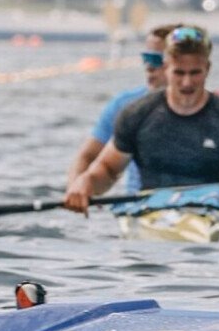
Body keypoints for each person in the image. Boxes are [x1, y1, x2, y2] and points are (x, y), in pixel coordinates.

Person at [62, 25, 219, 242]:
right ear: (166, 67)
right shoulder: (137, 114)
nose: (187, 83)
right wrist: (85, 182)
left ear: (207, 69)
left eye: (195, 73)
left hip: (209, 217)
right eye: (179, 73)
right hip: (148, 215)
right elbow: (107, 170)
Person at [66, 23, 180, 199]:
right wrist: (77, 190)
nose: (149, 67)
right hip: (141, 205)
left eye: (157, 60)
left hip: (203, 206)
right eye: (146, 58)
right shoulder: (125, 105)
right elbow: (88, 157)